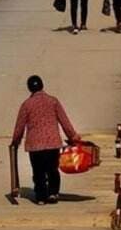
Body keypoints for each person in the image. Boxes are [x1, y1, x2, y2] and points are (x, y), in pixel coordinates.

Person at [11, 75, 81, 205]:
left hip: (35, 145)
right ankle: (53, 193)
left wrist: (15, 141)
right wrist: (73, 136)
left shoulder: (26, 105)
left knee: (38, 172)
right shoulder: (53, 101)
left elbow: (19, 126)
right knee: (52, 169)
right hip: (52, 143)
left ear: (29, 88)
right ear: (42, 85)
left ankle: (41, 197)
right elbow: (64, 121)